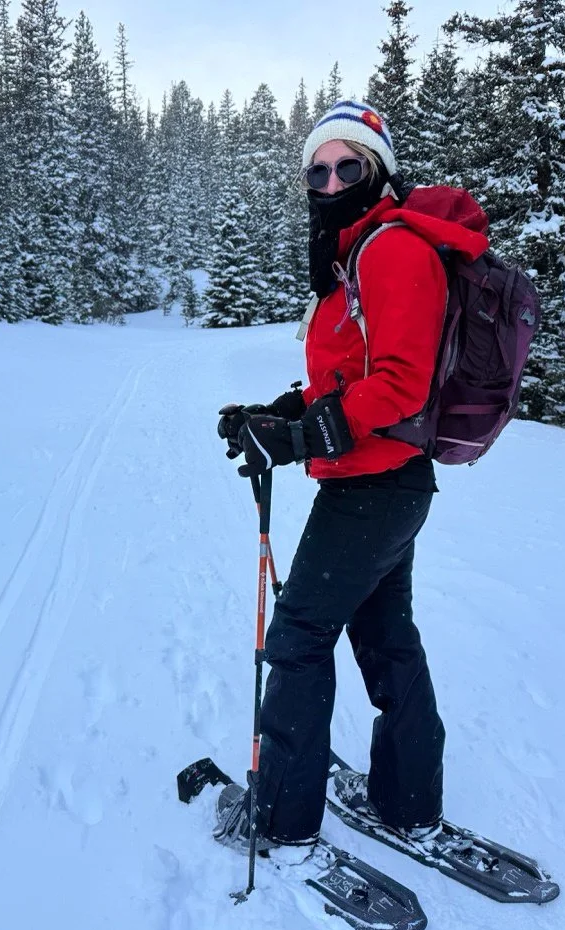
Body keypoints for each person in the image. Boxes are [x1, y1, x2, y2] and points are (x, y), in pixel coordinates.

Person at [213, 100, 489, 852]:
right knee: (385, 635)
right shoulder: (355, 254)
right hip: (385, 485)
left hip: (373, 488)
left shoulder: (392, 249)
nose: (331, 179)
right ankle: (408, 802)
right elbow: (349, 373)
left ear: (380, 171)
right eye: (318, 167)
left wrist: (303, 436)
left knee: (298, 639)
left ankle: (284, 820)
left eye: (349, 164)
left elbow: (401, 384)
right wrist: (277, 413)